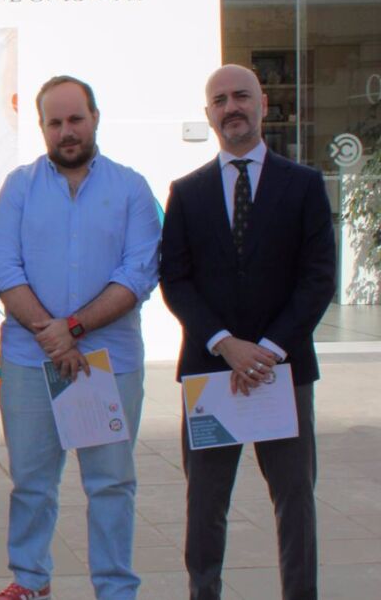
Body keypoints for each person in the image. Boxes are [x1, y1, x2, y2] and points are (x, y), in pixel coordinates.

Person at [160, 64, 335, 600]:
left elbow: (318, 278)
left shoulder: (303, 185)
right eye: (220, 100)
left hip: (283, 373)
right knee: (205, 504)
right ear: (208, 113)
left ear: (261, 104)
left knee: (295, 501)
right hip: (211, 373)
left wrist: (268, 350)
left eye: (241, 96)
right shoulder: (186, 192)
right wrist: (225, 344)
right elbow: (175, 279)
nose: (231, 107)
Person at [0, 76, 161, 600]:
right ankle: (31, 581)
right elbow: (2, 268)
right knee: (32, 481)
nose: (66, 131)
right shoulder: (19, 187)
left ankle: (115, 589)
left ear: (95, 118)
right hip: (29, 360)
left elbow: (138, 273)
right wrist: (52, 335)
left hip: (107, 360)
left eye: (75, 119)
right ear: (41, 127)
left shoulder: (131, 187)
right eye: (55, 122)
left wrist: (73, 329)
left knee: (110, 483)